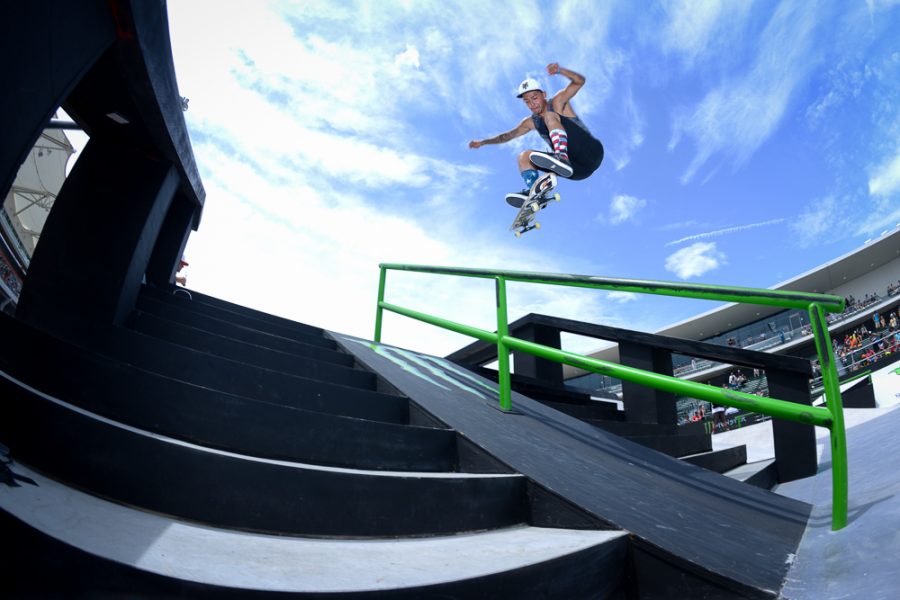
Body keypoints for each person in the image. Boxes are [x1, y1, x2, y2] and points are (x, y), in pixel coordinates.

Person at [469, 62, 604, 205]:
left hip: (591, 152)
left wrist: (560, 70)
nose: (532, 104)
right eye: (527, 101)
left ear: (543, 95)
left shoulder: (558, 102)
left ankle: (561, 157)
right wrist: (483, 142)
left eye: (534, 98)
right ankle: (535, 194)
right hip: (578, 171)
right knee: (524, 157)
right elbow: (507, 136)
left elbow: (579, 82)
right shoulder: (530, 122)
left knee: (549, 116)